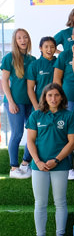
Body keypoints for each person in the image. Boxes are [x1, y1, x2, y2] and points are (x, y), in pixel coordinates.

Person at [27, 83, 74, 236]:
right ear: (45, 98)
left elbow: (72, 142)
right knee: (40, 203)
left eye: (56, 95)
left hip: (60, 165)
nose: (53, 98)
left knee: (60, 202)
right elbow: (30, 141)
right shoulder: (36, 116)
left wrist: (56, 160)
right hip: (38, 166)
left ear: (62, 97)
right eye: (50, 95)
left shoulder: (69, 116)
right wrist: (38, 161)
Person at [2, 28, 35, 178]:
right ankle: (14, 168)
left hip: (30, 102)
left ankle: (25, 164)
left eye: (25, 37)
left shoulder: (32, 59)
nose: (23, 40)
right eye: (19, 38)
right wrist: (10, 102)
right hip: (14, 102)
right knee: (17, 133)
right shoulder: (9, 58)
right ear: (15, 41)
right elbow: (4, 81)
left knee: (33, 133)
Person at [26, 36, 57, 112]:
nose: (49, 49)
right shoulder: (34, 65)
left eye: (52, 47)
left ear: (55, 49)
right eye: (46, 47)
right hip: (41, 104)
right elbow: (30, 88)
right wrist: (36, 106)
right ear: (40, 48)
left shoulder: (59, 63)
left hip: (57, 103)